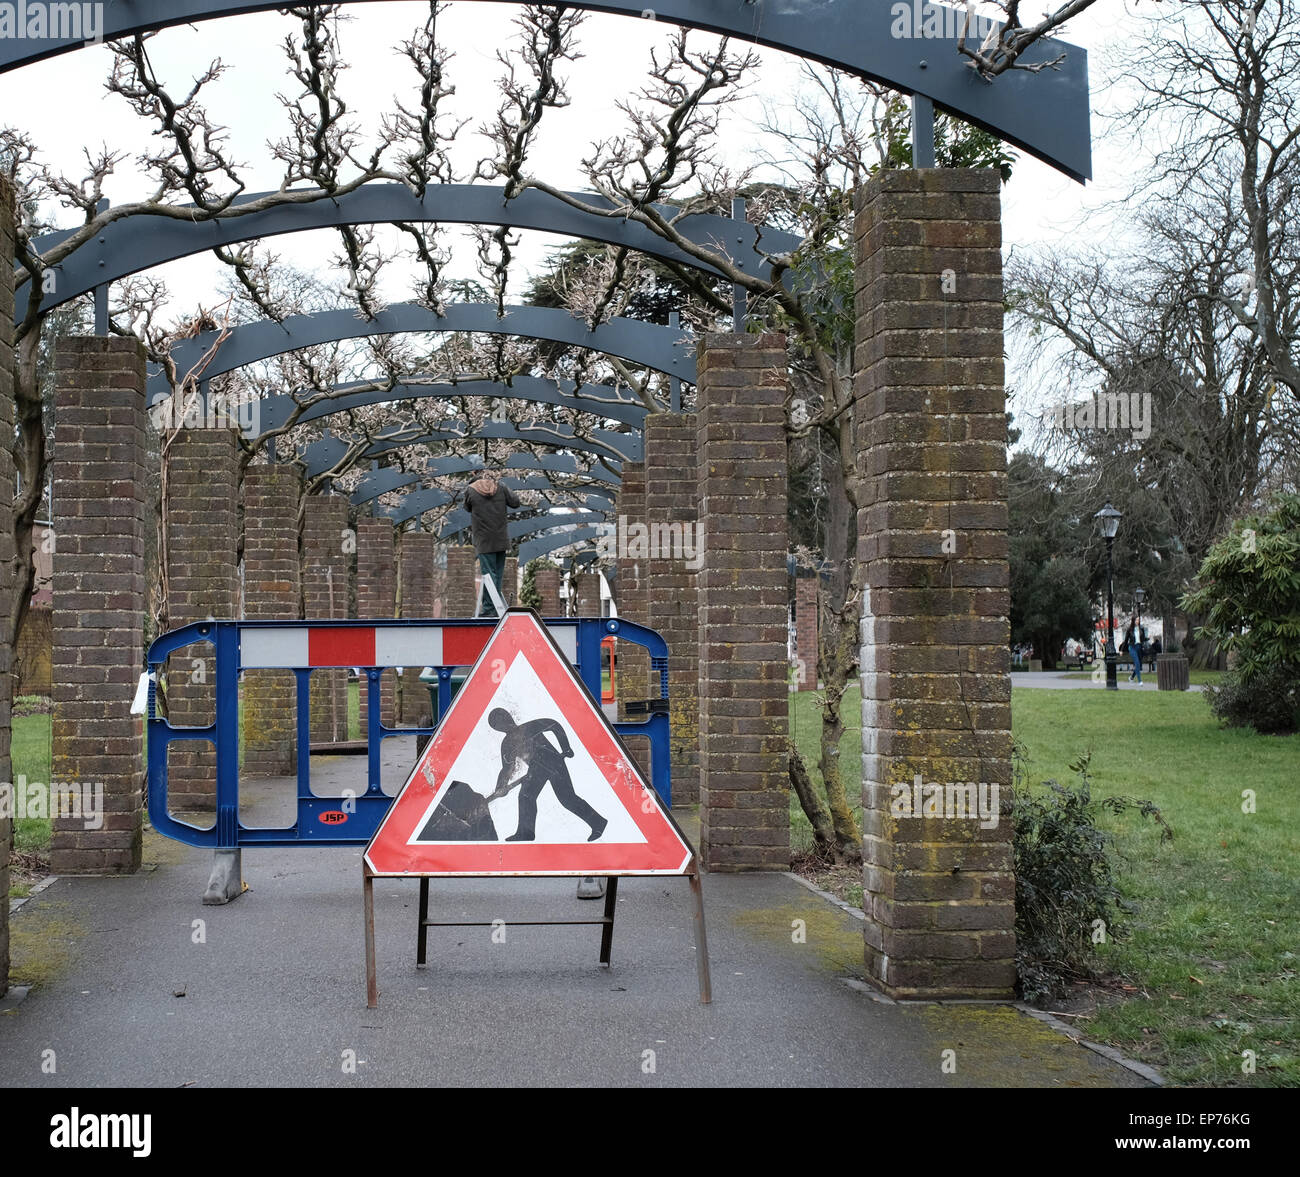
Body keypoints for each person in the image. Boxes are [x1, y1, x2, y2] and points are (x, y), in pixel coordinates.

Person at [485, 708, 606, 842]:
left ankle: (597, 823)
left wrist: (565, 747)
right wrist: (500, 786)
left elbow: (554, 725)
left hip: (552, 761)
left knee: (564, 798)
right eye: (497, 723)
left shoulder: (529, 727)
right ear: (497, 728)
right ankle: (598, 822)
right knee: (528, 796)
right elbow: (507, 768)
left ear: (508, 716)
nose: (503, 723)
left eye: (503, 718)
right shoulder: (507, 744)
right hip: (537, 767)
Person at [463, 472, 521, 617]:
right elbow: (515, 502)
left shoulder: (471, 489)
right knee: (497, 574)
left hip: (484, 539)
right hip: (501, 538)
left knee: (488, 575)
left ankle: (490, 609)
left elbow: (467, 507)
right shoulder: (500, 486)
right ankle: (494, 607)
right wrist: (503, 485)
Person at [1121, 612, 1144, 683]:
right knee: (1137, 663)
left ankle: (1131, 677)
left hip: (1139, 647)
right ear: (1133, 621)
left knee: (1139, 666)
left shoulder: (1141, 628)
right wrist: (1121, 650)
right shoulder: (1129, 630)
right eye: (1137, 620)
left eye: (1138, 620)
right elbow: (1125, 640)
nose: (1138, 621)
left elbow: (1143, 639)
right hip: (1132, 647)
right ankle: (1140, 681)